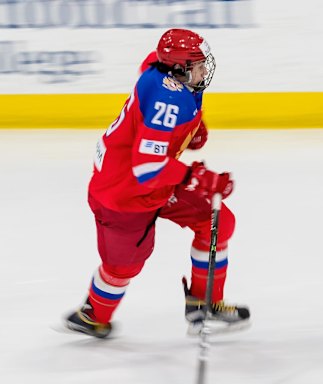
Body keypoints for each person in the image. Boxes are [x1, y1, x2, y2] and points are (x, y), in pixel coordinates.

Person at [65, 28, 250, 338]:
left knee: (217, 222)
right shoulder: (169, 100)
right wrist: (197, 177)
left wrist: (193, 125)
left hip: (156, 181)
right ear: (178, 69)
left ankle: (204, 301)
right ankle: (92, 317)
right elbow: (147, 167)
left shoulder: (161, 66)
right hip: (123, 193)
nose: (205, 70)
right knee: (121, 269)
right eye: (198, 65)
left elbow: (146, 71)